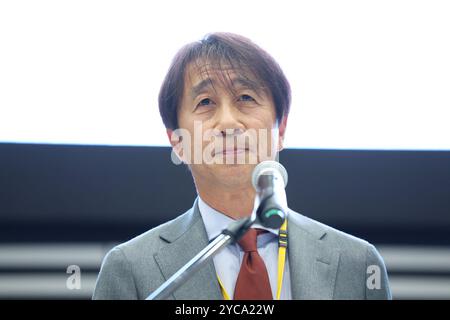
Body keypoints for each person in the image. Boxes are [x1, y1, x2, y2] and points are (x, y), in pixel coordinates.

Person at [93, 32, 391, 300]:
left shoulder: (357, 264)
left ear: (281, 129)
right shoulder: (130, 269)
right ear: (177, 142)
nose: (227, 123)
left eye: (245, 98)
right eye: (206, 102)